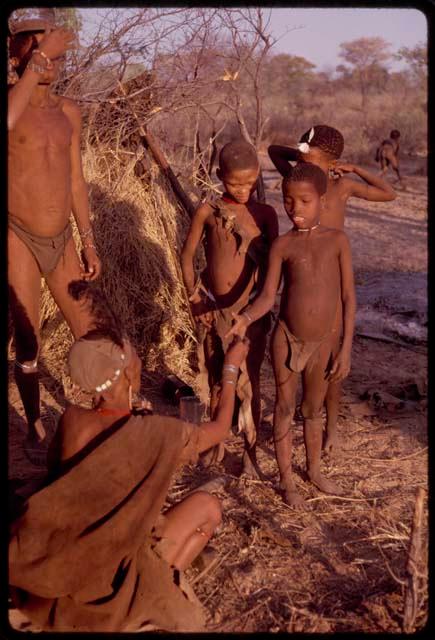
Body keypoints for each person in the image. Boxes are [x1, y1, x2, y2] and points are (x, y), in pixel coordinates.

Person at [9, 282, 250, 632]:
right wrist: (231, 369)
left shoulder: (72, 421)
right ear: (124, 375)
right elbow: (221, 427)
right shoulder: (156, 433)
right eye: (131, 355)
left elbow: (64, 482)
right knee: (209, 509)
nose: (137, 357)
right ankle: (150, 597)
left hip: (67, 559)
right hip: (113, 572)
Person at [227, 163, 356, 506]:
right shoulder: (282, 246)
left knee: (311, 410)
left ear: (322, 200)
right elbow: (269, 296)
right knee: (284, 408)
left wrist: (345, 349)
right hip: (287, 337)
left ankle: (313, 471)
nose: (294, 209)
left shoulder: (337, 241)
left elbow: (348, 299)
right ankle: (287, 480)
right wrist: (245, 317)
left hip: (325, 341)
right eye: (288, 200)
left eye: (304, 201)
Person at [8, 8, 101, 461]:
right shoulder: (9, 103)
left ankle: (107, 412)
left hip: (61, 237)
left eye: (50, 46)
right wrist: (38, 59)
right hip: (17, 236)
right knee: (28, 340)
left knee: (91, 329)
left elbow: (76, 181)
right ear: (15, 53)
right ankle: (33, 423)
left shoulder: (69, 112)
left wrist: (88, 239)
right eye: (32, 43)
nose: (45, 54)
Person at [268, 125, 395, 454]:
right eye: (301, 157)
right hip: (305, 270)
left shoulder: (342, 187)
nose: (303, 161)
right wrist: (302, 153)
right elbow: (272, 151)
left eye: (312, 157)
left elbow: (388, 193)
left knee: (332, 362)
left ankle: (331, 428)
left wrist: (355, 168)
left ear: (334, 161)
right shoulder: (302, 179)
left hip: (332, 275)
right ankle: (304, 418)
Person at [181, 139, 278, 476]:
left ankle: (251, 451)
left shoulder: (264, 214)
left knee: (250, 378)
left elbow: (273, 267)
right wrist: (196, 298)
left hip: (250, 313)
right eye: (235, 182)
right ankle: (213, 445)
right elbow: (187, 256)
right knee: (214, 377)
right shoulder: (208, 211)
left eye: (250, 183)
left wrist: (256, 308)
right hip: (212, 310)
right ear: (220, 175)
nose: (243, 190)